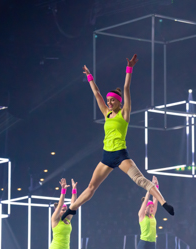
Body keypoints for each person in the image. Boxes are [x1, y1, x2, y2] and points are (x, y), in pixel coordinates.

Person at [61, 56, 174, 221]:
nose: (109, 102)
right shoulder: (106, 113)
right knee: (91, 187)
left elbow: (126, 87)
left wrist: (129, 69)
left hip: (120, 155)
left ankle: (164, 203)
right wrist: (89, 77)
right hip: (106, 155)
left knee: (140, 180)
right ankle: (71, 209)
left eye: (112, 100)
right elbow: (96, 93)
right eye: (108, 101)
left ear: (119, 102)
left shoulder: (124, 114)